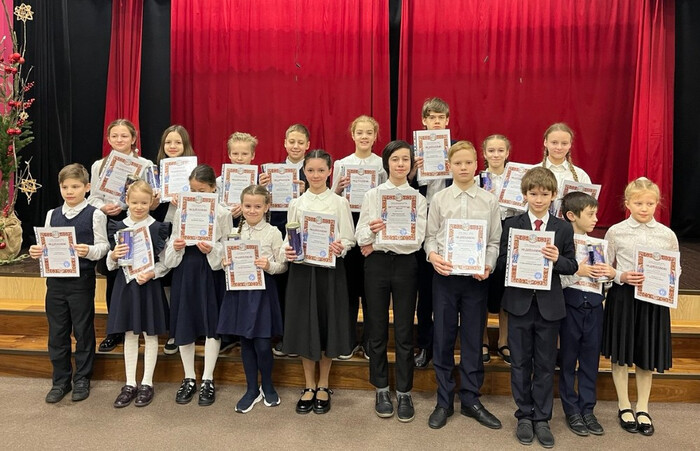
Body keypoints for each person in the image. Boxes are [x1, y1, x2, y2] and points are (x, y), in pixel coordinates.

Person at [497, 167, 578, 448]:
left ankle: (542, 418)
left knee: (544, 364)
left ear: (554, 195)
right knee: (520, 363)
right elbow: (501, 262)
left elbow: (572, 265)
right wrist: (516, 258)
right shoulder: (512, 224)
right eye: (533, 194)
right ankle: (524, 414)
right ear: (525, 195)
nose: (539, 199)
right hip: (519, 304)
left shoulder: (562, 228)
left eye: (544, 194)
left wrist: (557, 259)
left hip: (549, 307)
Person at [424, 141, 502, 430]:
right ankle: (444, 401)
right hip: (445, 278)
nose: (464, 167)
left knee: (472, 340)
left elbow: (494, 241)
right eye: (458, 163)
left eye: (469, 162)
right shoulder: (440, 199)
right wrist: (433, 256)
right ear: (449, 166)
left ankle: (471, 399)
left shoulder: (489, 200)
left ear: (477, 165)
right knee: (443, 338)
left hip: (475, 281)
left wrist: (488, 265)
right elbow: (430, 237)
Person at [355, 140, 427, 422]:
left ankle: (405, 391)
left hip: (406, 265)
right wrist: (373, 233)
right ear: (386, 163)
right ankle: (382, 388)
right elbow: (360, 235)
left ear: (411, 164)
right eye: (395, 159)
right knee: (376, 327)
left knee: (405, 329)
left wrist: (378, 241)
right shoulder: (372, 195)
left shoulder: (418, 199)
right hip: (377, 265)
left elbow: (417, 240)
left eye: (405, 159)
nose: (400, 164)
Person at [602, 177, 679, 437]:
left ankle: (643, 407)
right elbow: (605, 266)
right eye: (638, 203)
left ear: (658, 204)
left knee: (647, 354)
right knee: (621, 353)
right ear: (627, 204)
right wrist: (620, 276)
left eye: (649, 203)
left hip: (653, 300)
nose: (644, 208)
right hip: (623, 297)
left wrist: (667, 280)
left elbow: (676, 268)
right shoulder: (616, 231)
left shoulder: (667, 234)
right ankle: (624, 404)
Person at [29, 164, 110, 403]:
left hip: (81, 281)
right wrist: (37, 251)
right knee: (57, 332)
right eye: (65, 187)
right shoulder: (52, 214)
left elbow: (104, 245)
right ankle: (61, 380)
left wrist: (89, 251)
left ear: (87, 187)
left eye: (75, 186)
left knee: (83, 330)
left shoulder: (95, 214)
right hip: (55, 282)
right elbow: (45, 244)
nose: (70, 191)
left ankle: (82, 378)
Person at [282, 149, 355, 415]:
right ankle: (308, 385)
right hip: (303, 272)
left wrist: (341, 246)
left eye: (321, 170)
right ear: (304, 172)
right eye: (310, 170)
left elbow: (349, 237)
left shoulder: (339, 203)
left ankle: (323, 383)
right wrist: (287, 251)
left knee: (327, 324)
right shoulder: (296, 203)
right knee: (305, 325)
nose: (315, 175)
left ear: (329, 171)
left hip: (330, 271)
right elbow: (288, 238)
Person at [164, 165, 232, 406]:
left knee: (211, 323)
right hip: (186, 269)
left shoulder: (222, 213)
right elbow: (172, 242)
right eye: (193, 190)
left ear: (213, 188)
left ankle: (208, 378)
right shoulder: (181, 210)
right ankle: (189, 377)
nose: (196, 195)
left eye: (201, 191)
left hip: (210, 272)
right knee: (186, 321)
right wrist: (176, 246)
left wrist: (213, 249)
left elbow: (227, 245)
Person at [88, 119, 155, 353]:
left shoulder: (145, 165)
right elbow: (93, 197)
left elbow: (151, 196)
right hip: (111, 224)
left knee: (139, 273)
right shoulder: (99, 165)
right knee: (114, 277)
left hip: (137, 223)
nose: (119, 140)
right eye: (114, 136)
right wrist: (103, 207)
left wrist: (133, 205)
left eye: (124, 136)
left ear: (133, 138)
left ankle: (141, 326)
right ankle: (114, 330)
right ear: (108, 139)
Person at [218, 185, 286, 413]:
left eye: (257, 206)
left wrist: (269, 266)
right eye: (247, 206)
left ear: (266, 207)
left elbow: (282, 266)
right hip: (239, 293)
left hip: (263, 293)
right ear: (241, 206)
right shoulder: (234, 232)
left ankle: (267, 385)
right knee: (245, 342)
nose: (252, 210)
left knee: (263, 344)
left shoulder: (273, 233)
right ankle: (251, 389)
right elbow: (225, 262)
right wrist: (225, 264)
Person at [106, 180, 172, 408]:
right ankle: (129, 383)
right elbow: (111, 264)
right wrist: (113, 256)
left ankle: (147, 383)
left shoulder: (158, 227)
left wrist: (153, 273)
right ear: (127, 200)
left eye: (144, 202)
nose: (139, 207)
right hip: (126, 286)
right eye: (134, 202)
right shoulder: (118, 226)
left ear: (151, 202)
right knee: (130, 334)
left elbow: (166, 262)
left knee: (150, 334)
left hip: (148, 286)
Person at [558, 192, 615, 437]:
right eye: (590, 214)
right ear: (572, 216)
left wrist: (608, 275)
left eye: (595, 214)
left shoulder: (597, 244)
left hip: (594, 306)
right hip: (570, 305)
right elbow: (558, 279)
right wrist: (578, 272)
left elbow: (604, 282)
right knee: (568, 359)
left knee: (590, 361)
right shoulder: (563, 243)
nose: (595, 219)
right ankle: (571, 409)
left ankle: (588, 408)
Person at [332, 115, 387, 360]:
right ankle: (348, 341)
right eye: (360, 132)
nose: (364, 136)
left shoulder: (382, 165)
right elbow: (333, 199)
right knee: (349, 290)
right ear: (352, 135)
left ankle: (370, 343)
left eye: (369, 132)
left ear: (375, 136)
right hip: (348, 226)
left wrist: (374, 238)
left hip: (372, 232)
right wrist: (339, 189)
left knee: (371, 291)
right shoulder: (342, 164)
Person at [409, 97, 453, 369]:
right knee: (424, 293)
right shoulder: (412, 151)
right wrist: (413, 170)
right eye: (432, 117)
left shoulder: (456, 149)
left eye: (441, 118)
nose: (436, 122)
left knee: (447, 294)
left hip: (449, 228)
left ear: (447, 121)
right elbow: (403, 187)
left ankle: (444, 347)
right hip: (420, 226)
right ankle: (425, 345)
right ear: (424, 121)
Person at [259, 124, 309, 357]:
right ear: (285, 143)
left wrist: (307, 190)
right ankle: (281, 335)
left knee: (298, 289)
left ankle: (298, 336)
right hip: (277, 234)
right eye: (292, 141)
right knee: (279, 287)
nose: (296, 146)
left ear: (308, 145)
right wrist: (262, 188)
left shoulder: (313, 171)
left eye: (300, 142)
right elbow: (260, 204)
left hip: (303, 236)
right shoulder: (271, 172)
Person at [152, 124, 197, 355]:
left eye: (178, 142)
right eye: (168, 142)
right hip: (161, 228)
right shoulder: (154, 172)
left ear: (185, 145)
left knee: (182, 280)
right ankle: (172, 330)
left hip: (185, 230)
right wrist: (158, 198)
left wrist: (188, 196)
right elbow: (147, 206)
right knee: (165, 279)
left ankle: (185, 328)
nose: (172, 146)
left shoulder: (195, 172)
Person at [217, 131, 259, 354]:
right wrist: (227, 212)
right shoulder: (219, 182)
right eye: (235, 154)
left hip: (253, 237)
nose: (240, 158)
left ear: (253, 155)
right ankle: (228, 333)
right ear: (229, 155)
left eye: (244, 154)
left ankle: (249, 331)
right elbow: (212, 209)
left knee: (249, 286)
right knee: (229, 285)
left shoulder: (259, 182)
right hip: (228, 235)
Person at [479, 134, 518, 365]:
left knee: (506, 288)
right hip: (483, 233)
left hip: (510, 231)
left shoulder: (518, 178)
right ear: (484, 153)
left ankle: (504, 341)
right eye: (491, 150)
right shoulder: (477, 179)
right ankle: (483, 340)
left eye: (500, 150)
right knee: (482, 287)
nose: (496, 155)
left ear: (507, 153)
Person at [540, 123, 591, 214]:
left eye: (564, 143)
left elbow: (588, 208)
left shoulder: (581, 175)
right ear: (545, 143)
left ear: (570, 145)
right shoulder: (531, 171)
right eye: (554, 142)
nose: (559, 147)